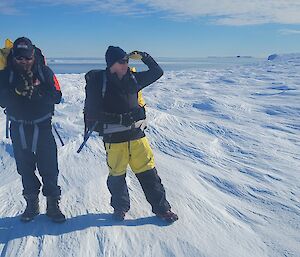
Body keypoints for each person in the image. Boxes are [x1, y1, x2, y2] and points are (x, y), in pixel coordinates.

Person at [85, 46, 178, 223]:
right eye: (122, 61)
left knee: (149, 174)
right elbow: (94, 112)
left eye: (127, 61)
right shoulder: (100, 82)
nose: (125, 64)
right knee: (117, 177)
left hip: (137, 137)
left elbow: (157, 72)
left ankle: (162, 209)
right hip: (114, 140)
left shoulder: (134, 78)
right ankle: (120, 208)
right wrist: (122, 119)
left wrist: (144, 56)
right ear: (111, 63)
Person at [0, 37, 65, 223]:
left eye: (28, 58)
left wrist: (38, 94)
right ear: (13, 58)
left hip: (42, 126)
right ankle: (32, 204)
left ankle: (53, 205)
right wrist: (16, 92)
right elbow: (2, 100)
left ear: (33, 56)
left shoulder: (44, 72)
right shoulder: (5, 75)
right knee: (25, 167)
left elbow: (57, 96)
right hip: (18, 126)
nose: (24, 62)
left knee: (49, 166)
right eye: (20, 59)